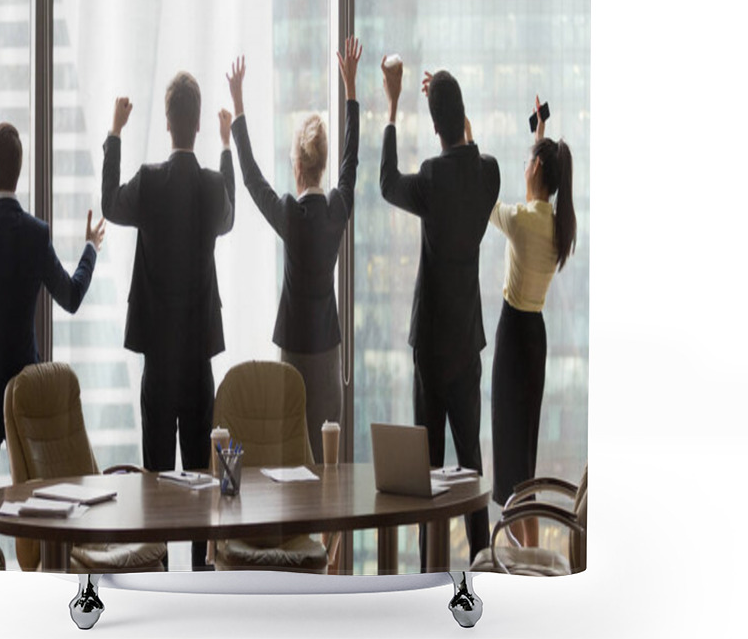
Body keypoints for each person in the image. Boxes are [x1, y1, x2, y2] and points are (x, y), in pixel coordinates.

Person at [0, 122, 104, 568]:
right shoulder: (37, 234)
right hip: (27, 404)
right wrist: (90, 247)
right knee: (40, 519)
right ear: (18, 170)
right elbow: (71, 297)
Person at [101, 72, 235, 570]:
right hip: (198, 358)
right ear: (197, 123)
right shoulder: (212, 185)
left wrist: (114, 133)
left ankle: (156, 570)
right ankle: (200, 571)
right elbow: (230, 217)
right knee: (202, 479)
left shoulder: (151, 182)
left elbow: (111, 203)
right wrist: (225, 150)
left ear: (166, 122)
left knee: (155, 478)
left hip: (158, 361)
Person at [379, 62, 500, 567]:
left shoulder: (429, 179)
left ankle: (430, 571)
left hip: (430, 345)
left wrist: (392, 102)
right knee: (469, 463)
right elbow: (470, 152)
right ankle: (482, 562)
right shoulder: (487, 173)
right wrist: (448, 106)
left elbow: (387, 183)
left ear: (432, 126)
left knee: (426, 470)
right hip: (465, 342)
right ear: (465, 116)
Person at [226, 36, 361, 463]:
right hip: (328, 347)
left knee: (292, 452)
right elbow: (351, 162)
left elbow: (251, 179)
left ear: (299, 167)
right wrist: (351, 90)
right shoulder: (337, 209)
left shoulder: (289, 213)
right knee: (326, 458)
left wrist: (238, 109)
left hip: (293, 348)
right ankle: (329, 533)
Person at [489, 96, 577, 547]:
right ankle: (534, 554)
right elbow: (538, 188)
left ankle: (529, 558)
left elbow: (488, 204)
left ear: (537, 171)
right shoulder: (557, 226)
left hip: (512, 334)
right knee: (523, 453)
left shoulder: (521, 220)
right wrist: (539, 136)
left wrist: (468, 142)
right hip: (534, 337)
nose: (524, 167)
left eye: (529, 162)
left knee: (509, 460)